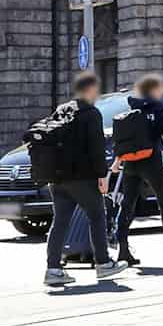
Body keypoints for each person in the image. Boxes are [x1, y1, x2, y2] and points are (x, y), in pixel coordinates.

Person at [43, 73, 129, 286]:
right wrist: (102, 176)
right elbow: (97, 148)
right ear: (89, 90)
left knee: (60, 222)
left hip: (57, 178)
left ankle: (53, 269)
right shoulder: (91, 114)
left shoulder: (61, 110)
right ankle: (103, 263)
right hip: (81, 178)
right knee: (97, 216)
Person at [113, 73, 163, 265]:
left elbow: (125, 139)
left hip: (130, 162)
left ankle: (122, 248)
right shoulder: (161, 108)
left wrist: (117, 162)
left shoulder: (133, 107)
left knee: (127, 204)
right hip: (152, 161)